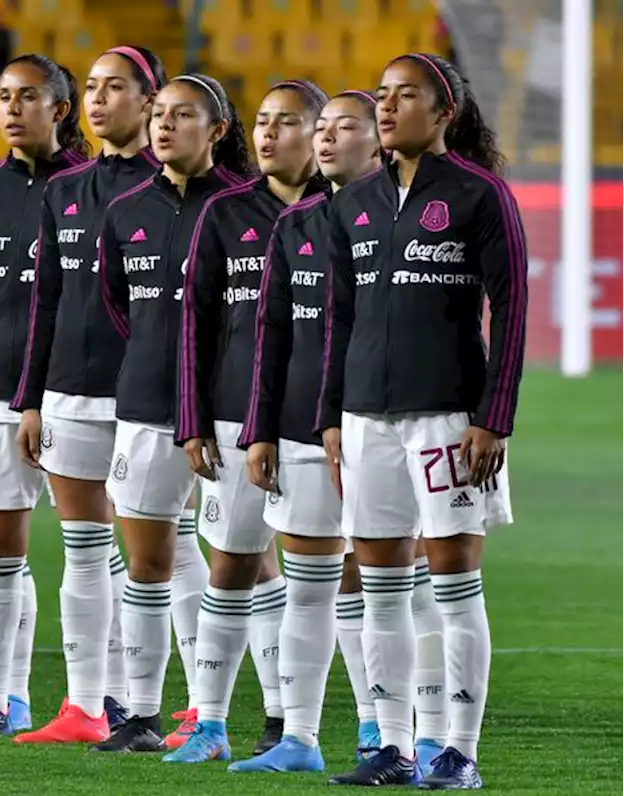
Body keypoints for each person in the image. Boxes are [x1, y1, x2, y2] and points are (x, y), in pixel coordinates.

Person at [322, 53, 525, 789]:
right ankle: (395, 747)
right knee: (378, 590)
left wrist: (493, 416)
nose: (386, 107)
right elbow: (339, 319)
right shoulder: (353, 204)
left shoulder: (481, 195)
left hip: (448, 418)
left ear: (444, 113)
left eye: (405, 96)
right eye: (381, 95)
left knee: (453, 584)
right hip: (366, 418)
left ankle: (457, 751)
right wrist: (330, 417)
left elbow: (512, 308)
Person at [166, 79, 330, 764]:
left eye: (286, 123)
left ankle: (306, 727)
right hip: (235, 418)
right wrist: (192, 418)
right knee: (231, 565)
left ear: (320, 133)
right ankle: (210, 723)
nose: (268, 134)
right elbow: (196, 321)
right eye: (261, 122)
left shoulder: (347, 212)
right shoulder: (226, 214)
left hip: (325, 423)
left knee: (337, 577)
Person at [10, 44, 164, 745]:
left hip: (147, 396)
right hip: (69, 392)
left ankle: (157, 702)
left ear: (149, 100)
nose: (100, 100)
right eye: (93, 88)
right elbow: (44, 299)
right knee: (82, 549)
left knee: (163, 556)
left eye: (116, 88)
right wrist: (32, 396)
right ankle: (85, 706)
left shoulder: (179, 190)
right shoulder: (65, 191)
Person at [95, 73, 249, 753]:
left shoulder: (247, 209)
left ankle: (263, 718)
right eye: (158, 114)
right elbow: (117, 305)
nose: (163, 126)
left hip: (231, 417)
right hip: (147, 403)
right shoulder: (126, 210)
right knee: (147, 563)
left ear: (216, 131)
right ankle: (143, 714)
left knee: (245, 563)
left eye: (182, 115)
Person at [231, 89, 383, 772]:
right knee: (308, 586)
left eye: (343, 127)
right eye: (319, 128)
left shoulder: (410, 222)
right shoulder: (295, 224)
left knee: (378, 586)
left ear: (381, 140)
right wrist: (260, 428)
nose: (324, 139)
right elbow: (271, 333)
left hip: (381, 425)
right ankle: (298, 738)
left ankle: (384, 729)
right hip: (295, 426)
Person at [0, 53, 89, 735]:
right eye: (3, 97)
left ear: (61, 110)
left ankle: (104, 697)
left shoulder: (96, 189)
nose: (11, 109)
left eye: (27, 97)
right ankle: (0, 699)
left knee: (96, 548)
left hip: (75, 393)